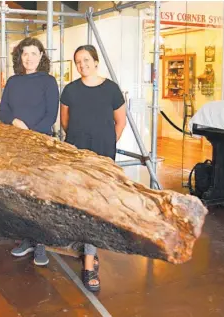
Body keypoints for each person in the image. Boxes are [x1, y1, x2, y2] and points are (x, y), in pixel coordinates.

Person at [60, 44, 127, 292]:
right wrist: (79, 142)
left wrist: (107, 142)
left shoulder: (111, 89)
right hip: (76, 154)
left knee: (96, 206)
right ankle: (86, 246)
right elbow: (65, 121)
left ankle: (89, 262)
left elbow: (120, 122)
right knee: (78, 203)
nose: (82, 65)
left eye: (86, 60)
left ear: (96, 62)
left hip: (102, 156)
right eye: (78, 61)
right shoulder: (70, 90)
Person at [0, 37, 59, 267]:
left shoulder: (48, 81)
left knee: (40, 194)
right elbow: (3, 110)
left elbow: (50, 116)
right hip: (15, 144)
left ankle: (40, 242)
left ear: (41, 56)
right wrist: (14, 122)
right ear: (19, 57)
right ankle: (27, 238)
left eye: (34, 53)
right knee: (20, 192)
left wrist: (31, 133)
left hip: (40, 144)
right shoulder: (13, 82)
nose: (29, 57)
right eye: (25, 54)